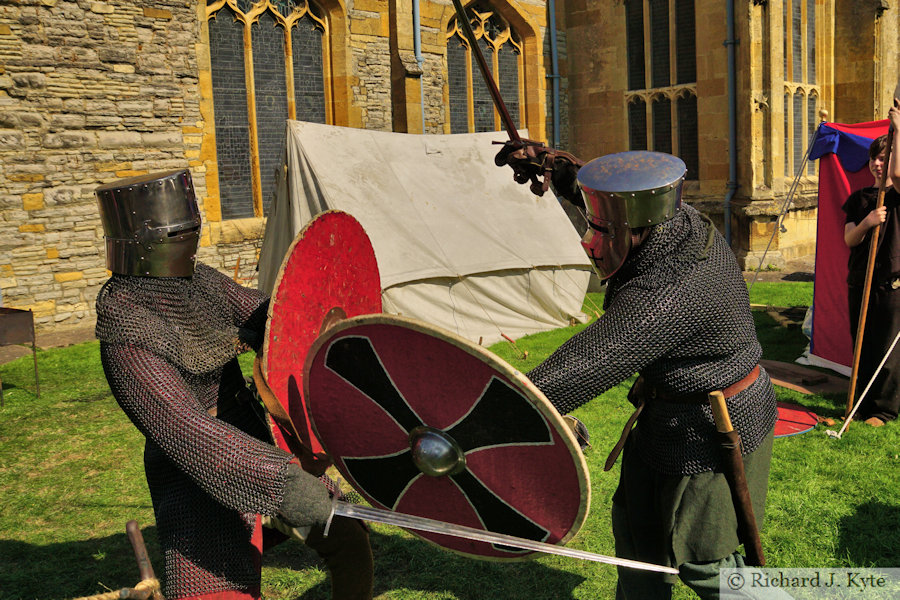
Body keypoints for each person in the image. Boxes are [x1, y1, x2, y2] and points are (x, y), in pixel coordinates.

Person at [498, 147, 778, 599]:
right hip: (662, 420)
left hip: (712, 429)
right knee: (637, 551)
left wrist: (487, 403)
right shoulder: (671, 221)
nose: (592, 238)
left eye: (603, 229)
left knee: (710, 565)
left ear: (636, 229)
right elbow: (618, 205)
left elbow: (586, 363)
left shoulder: (673, 284)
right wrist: (560, 171)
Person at [94, 170, 373, 600]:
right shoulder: (125, 326)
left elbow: (275, 319)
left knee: (348, 540)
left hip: (258, 438)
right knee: (221, 591)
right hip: (196, 473)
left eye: (190, 223)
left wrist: (320, 325)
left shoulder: (198, 283)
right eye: (177, 228)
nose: (188, 234)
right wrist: (283, 481)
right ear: (139, 238)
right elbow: (182, 426)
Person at [841, 100, 900, 427]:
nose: (878, 163)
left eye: (884, 156)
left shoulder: (899, 193)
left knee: (887, 352)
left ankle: (883, 410)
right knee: (861, 346)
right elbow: (849, 238)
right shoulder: (860, 199)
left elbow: (898, 174)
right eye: (873, 158)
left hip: (891, 285)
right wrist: (868, 221)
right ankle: (858, 402)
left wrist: (899, 129)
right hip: (859, 281)